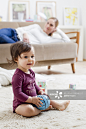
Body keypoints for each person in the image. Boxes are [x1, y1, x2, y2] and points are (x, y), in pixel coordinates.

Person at [9, 41, 70, 117]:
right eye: (25, 57)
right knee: (29, 110)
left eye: (32, 56)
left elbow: (33, 84)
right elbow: (18, 94)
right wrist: (31, 100)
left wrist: (40, 91)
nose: (30, 60)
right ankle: (41, 110)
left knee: (47, 99)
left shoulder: (31, 72)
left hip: (35, 100)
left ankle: (59, 105)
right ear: (16, 59)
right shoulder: (17, 76)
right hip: (21, 104)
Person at [0, 17, 71, 44]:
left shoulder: (49, 39)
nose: (48, 26)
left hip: (17, 42)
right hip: (13, 32)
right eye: (47, 23)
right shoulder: (36, 27)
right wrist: (25, 34)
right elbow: (21, 29)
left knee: (1, 37)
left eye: (51, 25)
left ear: (54, 28)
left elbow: (67, 40)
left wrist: (58, 30)